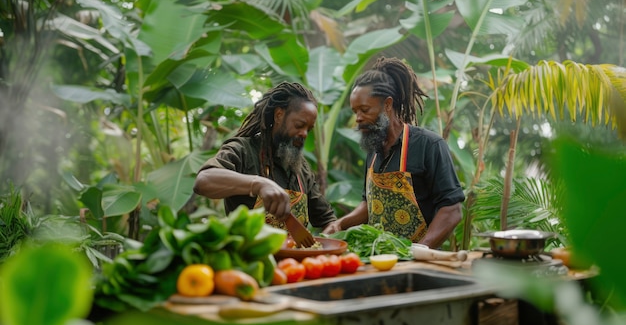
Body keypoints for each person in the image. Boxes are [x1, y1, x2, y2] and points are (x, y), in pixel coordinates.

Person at [323, 57, 465, 249]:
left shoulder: (429, 145)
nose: (358, 118)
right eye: (355, 111)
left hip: (419, 262)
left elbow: (452, 209)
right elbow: (368, 204)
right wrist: (340, 223)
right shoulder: (373, 152)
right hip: (382, 261)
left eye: (364, 110)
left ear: (387, 104)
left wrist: (418, 251)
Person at [193, 82, 336, 232]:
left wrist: (327, 244)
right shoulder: (243, 150)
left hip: (294, 256)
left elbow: (328, 221)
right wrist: (258, 184)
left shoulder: (302, 168)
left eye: (309, 129)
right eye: (299, 125)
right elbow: (204, 180)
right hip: (249, 254)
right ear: (279, 115)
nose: (304, 134)